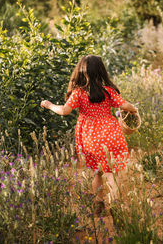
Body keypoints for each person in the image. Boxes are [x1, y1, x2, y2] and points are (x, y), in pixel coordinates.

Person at [41, 55, 137, 216]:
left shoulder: (79, 93)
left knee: (98, 172)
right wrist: (133, 109)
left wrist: (49, 105)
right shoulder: (109, 91)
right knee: (110, 173)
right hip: (111, 134)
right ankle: (112, 205)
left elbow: (64, 111)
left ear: (81, 72)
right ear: (101, 72)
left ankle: (106, 207)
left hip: (91, 138)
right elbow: (125, 105)